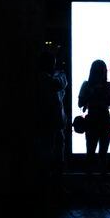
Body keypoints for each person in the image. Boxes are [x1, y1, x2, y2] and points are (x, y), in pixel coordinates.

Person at [78, 59, 110, 193]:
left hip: (94, 119)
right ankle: (102, 183)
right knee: (101, 154)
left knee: (92, 152)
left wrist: (93, 93)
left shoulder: (88, 85)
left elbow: (80, 104)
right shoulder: (108, 85)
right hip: (103, 119)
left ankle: (90, 183)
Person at [36, 50, 68, 199]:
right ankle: (50, 188)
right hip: (48, 124)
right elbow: (59, 84)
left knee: (56, 157)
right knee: (49, 157)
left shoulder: (47, 78)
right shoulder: (44, 78)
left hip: (55, 124)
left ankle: (53, 186)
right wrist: (60, 75)